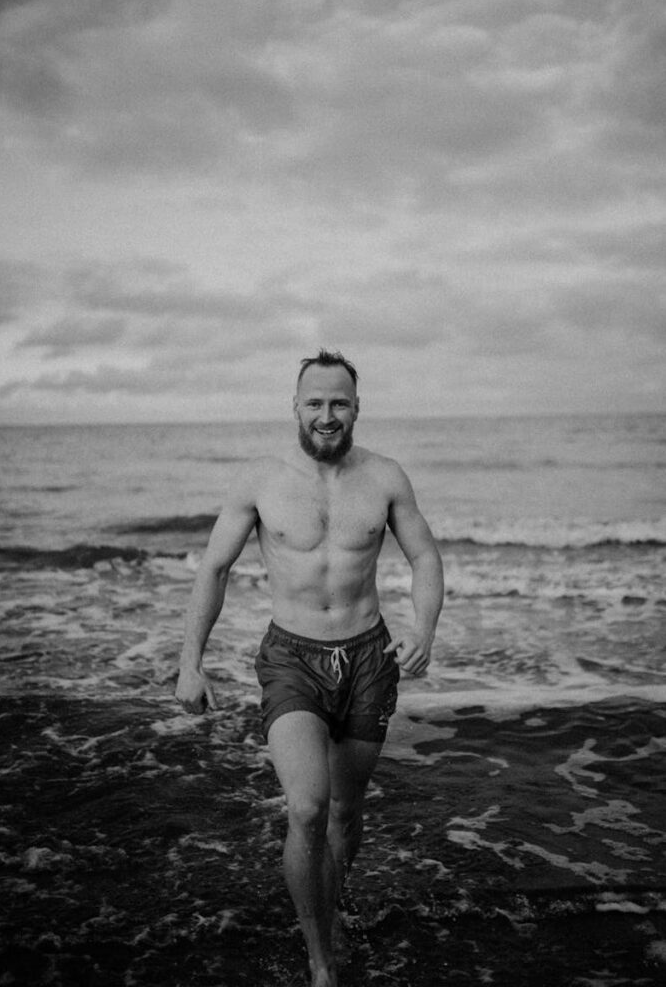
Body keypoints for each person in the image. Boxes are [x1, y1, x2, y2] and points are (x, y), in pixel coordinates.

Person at [175, 349, 444, 987]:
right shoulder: (261, 480)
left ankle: (326, 903)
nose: (327, 415)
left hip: (369, 659)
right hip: (292, 657)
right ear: (295, 407)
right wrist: (191, 663)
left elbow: (426, 558)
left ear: (357, 408)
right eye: (315, 403)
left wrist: (423, 630)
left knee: (346, 814)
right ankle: (321, 961)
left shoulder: (385, 477)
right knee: (306, 808)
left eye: (339, 403)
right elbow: (213, 569)